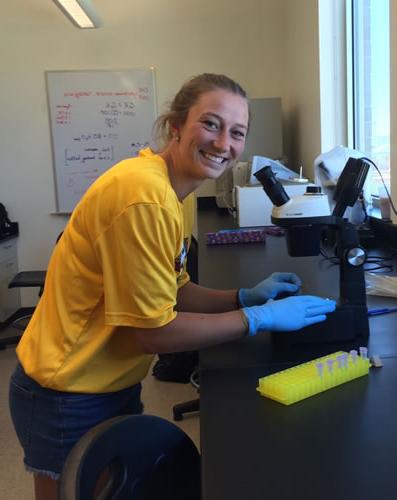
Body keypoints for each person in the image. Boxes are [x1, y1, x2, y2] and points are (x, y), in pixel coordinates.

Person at [9, 73, 336, 500]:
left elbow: (175, 289)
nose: (224, 143)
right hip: (67, 390)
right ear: (176, 125)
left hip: (107, 380)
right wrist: (256, 318)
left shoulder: (166, 189)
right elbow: (154, 333)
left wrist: (240, 296)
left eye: (237, 132)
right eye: (211, 124)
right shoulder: (144, 195)